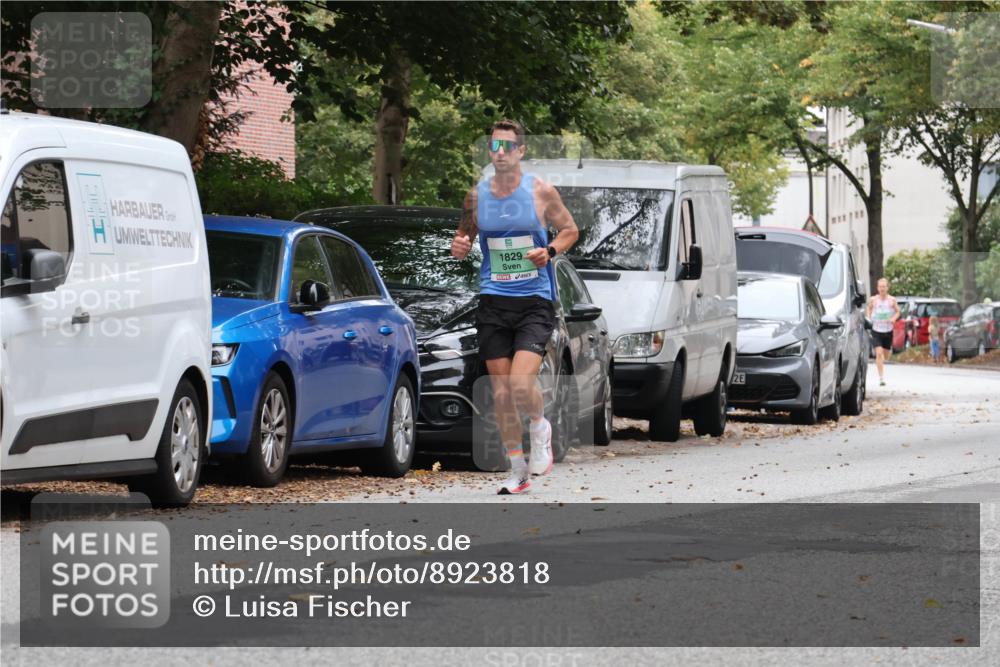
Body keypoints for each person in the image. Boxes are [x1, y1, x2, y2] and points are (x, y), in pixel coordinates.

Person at [450, 119, 579, 494]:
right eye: (494, 146)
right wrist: (459, 246)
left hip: (534, 302)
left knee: (521, 386)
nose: (500, 153)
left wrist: (549, 251)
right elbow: (462, 238)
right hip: (494, 301)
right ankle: (518, 471)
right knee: (502, 392)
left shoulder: (540, 191)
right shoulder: (476, 196)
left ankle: (539, 424)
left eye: (508, 146)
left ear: (521, 151)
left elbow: (570, 230)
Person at [867, 277, 901, 385]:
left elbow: (898, 312)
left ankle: (882, 361)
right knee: (879, 353)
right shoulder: (873, 300)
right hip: (876, 329)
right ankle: (881, 378)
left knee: (885, 355)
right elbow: (869, 309)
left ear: (887, 288)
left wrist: (893, 318)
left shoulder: (892, 300)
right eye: (880, 287)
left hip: (887, 330)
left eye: (884, 286)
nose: (882, 289)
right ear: (877, 288)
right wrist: (869, 320)